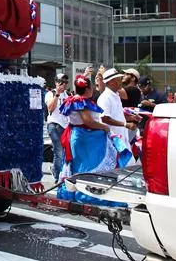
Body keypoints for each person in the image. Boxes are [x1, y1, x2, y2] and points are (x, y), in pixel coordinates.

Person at [56, 75, 132, 203]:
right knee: (89, 166)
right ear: (88, 89)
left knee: (80, 166)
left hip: (80, 136)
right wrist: (105, 127)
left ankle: (77, 193)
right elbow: (88, 121)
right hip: (86, 138)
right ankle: (86, 195)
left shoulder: (72, 99)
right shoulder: (81, 101)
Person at [97, 68, 138, 145]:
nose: (121, 81)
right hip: (112, 141)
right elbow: (105, 118)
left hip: (121, 140)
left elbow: (116, 116)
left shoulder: (116, 96)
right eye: (119, 79)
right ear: (111, 82)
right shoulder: (105, 97)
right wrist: (125, 124)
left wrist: (131, 118)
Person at [45, 74, 70, 181]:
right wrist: (57, 95)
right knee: (59, 151)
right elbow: (50, 109)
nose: (63, 84)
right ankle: (58, 177)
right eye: (61, 81)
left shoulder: (68, 95)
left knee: (63, 152)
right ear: (56, 82)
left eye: (65, 82)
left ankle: (56, 170)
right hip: (54, 125)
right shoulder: (51, 93)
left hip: (65, 126)